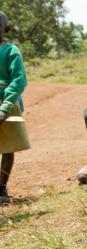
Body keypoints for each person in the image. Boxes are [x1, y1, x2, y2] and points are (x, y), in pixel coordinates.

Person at [0, 11, 31, 204]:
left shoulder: (11, 51)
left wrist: (5, 107)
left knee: (8, 148)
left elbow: (19, 80)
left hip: (7, 104)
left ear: (5, 28)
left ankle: (1, 188)